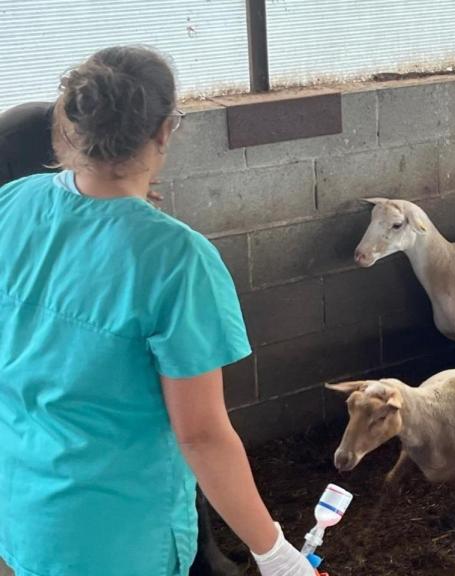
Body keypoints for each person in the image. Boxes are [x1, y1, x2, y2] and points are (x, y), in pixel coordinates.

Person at [0, 46, 315, 576]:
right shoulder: (178, 259)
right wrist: (275, 552)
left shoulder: (12, 204)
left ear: (71, 123)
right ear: (166, 130)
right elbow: (201, 435)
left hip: (19, 507)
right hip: (114, 535)